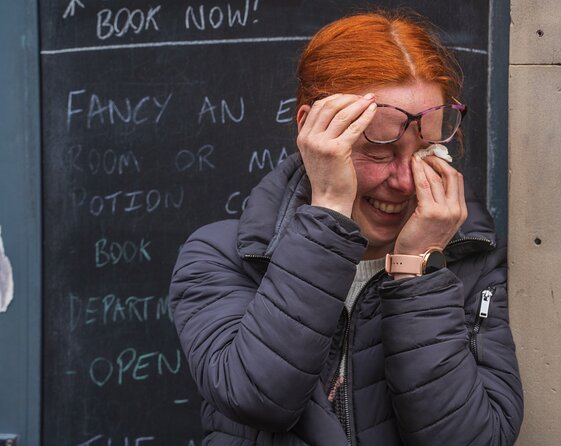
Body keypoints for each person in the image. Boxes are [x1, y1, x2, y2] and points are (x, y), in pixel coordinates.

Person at [170, 10, 523, 446]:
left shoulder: (470, 260)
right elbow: (258, 397)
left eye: (425, 149)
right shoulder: (223, 255)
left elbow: (474, 440)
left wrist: (417, 269)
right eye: (378, 151)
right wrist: (330, 213)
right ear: (312, 133)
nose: (405, 181)